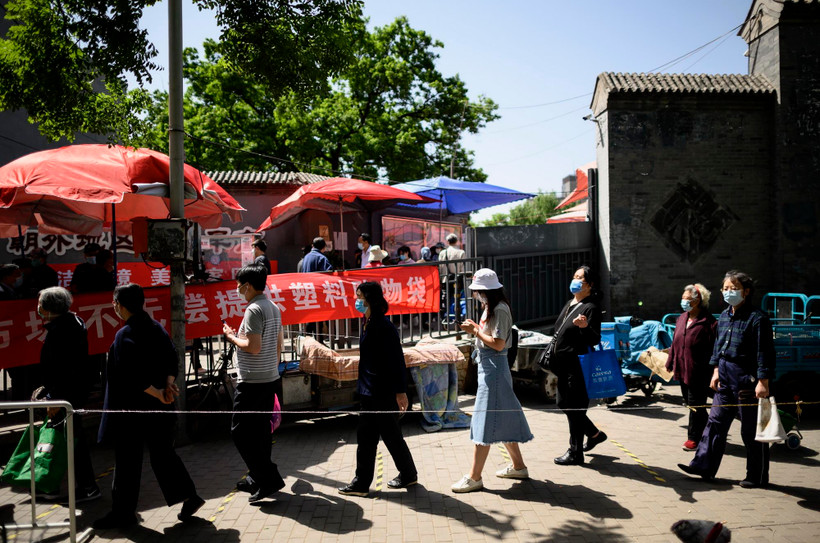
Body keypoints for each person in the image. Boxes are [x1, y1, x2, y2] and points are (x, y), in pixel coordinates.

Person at [94, 283, 204, 530]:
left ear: (120, 305)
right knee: (163, 455)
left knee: (127, 462)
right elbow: (172, 357)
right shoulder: (156, 328)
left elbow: (130, 374)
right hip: (160, 407)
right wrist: (168, 385)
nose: (114, 307)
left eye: (115, 303)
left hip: (133, 410)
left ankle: (123, 512)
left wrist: (158, 392)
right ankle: (190, 496)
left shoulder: (124, 335)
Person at [679, 270, 776, 489]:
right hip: (723, 378)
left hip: (747, 380)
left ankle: (757, 475)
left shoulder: (757, 319)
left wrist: (763, 381)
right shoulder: (723, 316)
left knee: (750, 431)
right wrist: (715, 372)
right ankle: (702, 466)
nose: (728, 292)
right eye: (725, 288)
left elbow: (765, 353)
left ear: (746, 291)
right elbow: (718, 348)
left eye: (734, 288)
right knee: (715, 424)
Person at [450, 268, 532, 493]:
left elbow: (497, 343)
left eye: (478, 291)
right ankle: (518, 466)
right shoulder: (491, 307)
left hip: (494, 369)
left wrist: (475, 331)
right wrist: (476, 328)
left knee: (484, 422)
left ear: (489, 291)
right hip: (489, 369)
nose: (476, 294)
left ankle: (474, 477)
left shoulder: (500, 309)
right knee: (502, 417)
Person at [338, 281, 418, 497]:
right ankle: (407, 474)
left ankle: (362, 483)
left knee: (373, 437)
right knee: (377, 437)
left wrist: (401, 392)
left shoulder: (383, 327)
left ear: (370, 299)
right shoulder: (369, 323)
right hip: (370, 391)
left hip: (380, 393)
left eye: (360, 297)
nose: (357, 301)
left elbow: (396, 361)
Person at [222, 264, 287, 503]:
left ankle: (268, 478)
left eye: (239, 285)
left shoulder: (253, 310)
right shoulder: (273, 307)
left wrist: (230, 337)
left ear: (248, 286)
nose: (238, 289)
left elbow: (253, 346)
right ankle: (257, 478)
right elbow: (279, 343)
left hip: (253, 381)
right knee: (260, 433)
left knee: (240, 433)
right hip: (269, 378)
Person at [36, 287, 100, 502]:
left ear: (49, 307)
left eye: (40, 303)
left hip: (66, 396)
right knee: (63, 440)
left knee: (73, 441)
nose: (38, 307)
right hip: (67, 393)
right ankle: (51, 484)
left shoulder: (63, 330)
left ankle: (88, 487)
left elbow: (65, 367)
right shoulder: (71, 323)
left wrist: (54, 397)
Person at [551, 266, 607, 466]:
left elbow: (594, 339)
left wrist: (584, 327)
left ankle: (575, 452)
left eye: (579, 278)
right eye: (573, 276)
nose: (574, 280)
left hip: (577, 365)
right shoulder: (570, 303)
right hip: (563, 365)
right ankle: (593, 434)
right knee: (563, 403)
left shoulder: (591, 307)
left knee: (575, 407)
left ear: (589, 285)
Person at [665, 284, 717, 451]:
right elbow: (675, 343)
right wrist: (670, 361)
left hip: (699, 371)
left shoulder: (709, 322)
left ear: (697, 301)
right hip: (682, 369)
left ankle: (693, 438)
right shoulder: (682, 318)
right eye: (683, 298)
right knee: (691, 403)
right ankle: (711, 428)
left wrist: (715, 370)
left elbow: (715, 347)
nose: (684, 301)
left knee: (695, 405)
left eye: (687, 299)